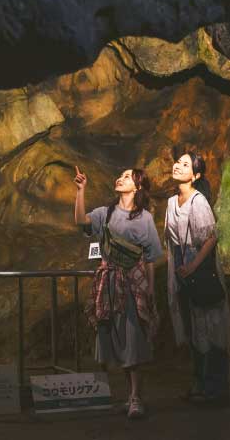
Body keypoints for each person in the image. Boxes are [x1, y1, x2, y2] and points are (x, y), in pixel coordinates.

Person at [73, 166, 162, 419]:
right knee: (116, 337)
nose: (120, 178)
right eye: (120, 175)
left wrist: (150, 289)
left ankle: (136, 397)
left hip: (133, 284)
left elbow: (150, 257)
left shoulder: (144, 218)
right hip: (110, 282)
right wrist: (80, 191)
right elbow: (81, 221)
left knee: (133, 338)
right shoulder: (106, 213)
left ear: (137, 186)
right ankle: (129, 397)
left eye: (127, 176)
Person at [166, 152, 230, 403]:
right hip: (181, 271)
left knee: (209, 326)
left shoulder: (198, 201)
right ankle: (199, 384)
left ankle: (214, 388)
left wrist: (192, 265)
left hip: (198, 269)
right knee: (192, 328)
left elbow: (211, 238)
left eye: (185, 164)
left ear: (196, 175)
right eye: (178, 162)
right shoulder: (172, 203)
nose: (178, 166)